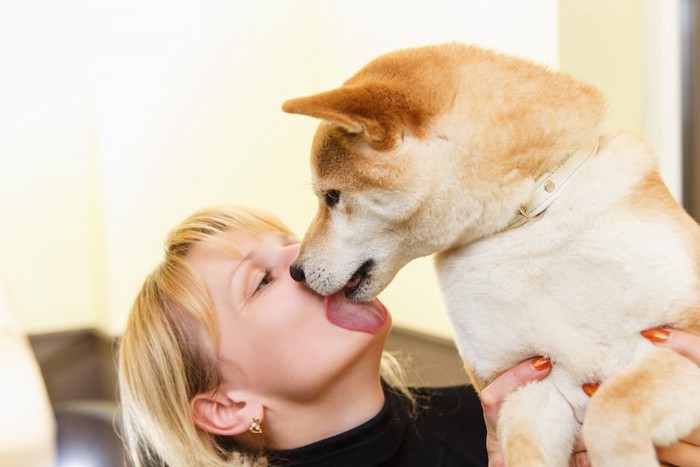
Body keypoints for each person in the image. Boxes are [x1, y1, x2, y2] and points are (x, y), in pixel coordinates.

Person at [118, 205, 700, 466]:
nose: (304, 256)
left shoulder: (504, 410)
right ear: (227, 406)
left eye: (290, 239)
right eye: (262, 280)